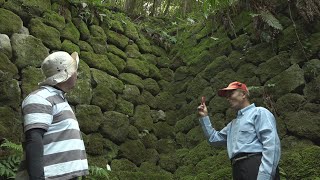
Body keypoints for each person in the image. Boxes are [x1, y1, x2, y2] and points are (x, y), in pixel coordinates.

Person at [16, 51, 89, 180]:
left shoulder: (59, 99)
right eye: (74, 71)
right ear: (67, 74)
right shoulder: (40, 98)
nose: (76, 74)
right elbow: (34, 140)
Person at [197, 81, 281, 180]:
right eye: (227, 96)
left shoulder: (259, 112)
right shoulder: (232, 124)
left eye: (231, 94)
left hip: (255, 165)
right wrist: (205, 117)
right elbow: (213, 139)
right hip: (237, 169)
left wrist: (265, 176)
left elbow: (271, 145)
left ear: (243, 94)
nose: (228, 98)